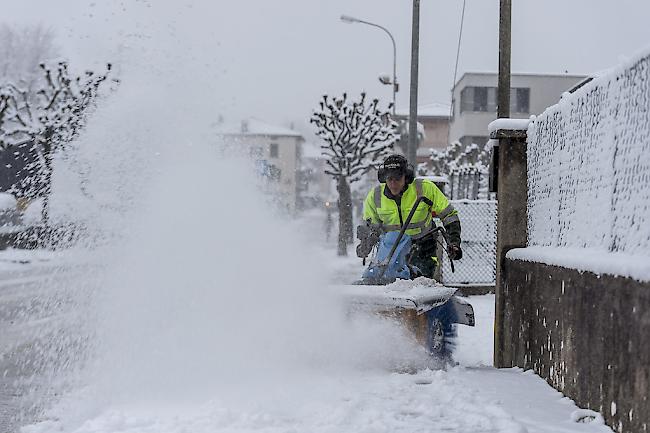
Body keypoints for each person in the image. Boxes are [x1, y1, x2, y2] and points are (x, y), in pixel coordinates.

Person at [358, 154, 462, 278]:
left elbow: (449, 215)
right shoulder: (375, 196)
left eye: (397, 178)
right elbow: (371, 228)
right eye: (389, 178)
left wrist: (454, 243)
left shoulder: (424, 189)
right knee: (377, 276)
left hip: (422, 246)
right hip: (390, 250)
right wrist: (366, 244)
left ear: (406, 176)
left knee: (420, 281)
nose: (393, 183)